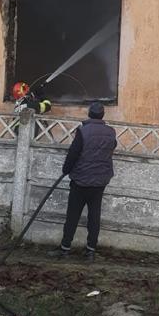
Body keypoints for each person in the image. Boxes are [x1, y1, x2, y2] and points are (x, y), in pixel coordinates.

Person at [51, 101, 116, 262]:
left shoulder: (83, 131)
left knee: (73, 215)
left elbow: (73, 153)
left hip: (80, 180)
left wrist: (66, 170)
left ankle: (65, 248)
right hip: (100, 181)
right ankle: (90, 251)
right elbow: (111, 147)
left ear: (89, 113)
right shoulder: (111, 132)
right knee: (94, 216)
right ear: (102, 115)